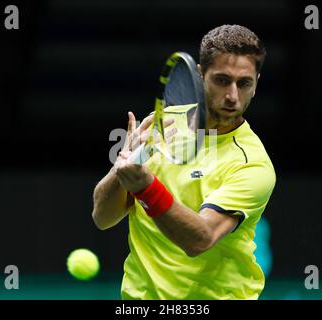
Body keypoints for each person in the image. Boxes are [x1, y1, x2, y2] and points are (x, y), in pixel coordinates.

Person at [92, 24, 276, 300]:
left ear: (256, 83)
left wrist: (146, 187)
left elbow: (200, 239)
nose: (232, 96)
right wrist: (121, 169)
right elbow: (102, 217)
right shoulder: (162, 124)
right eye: (222, 80)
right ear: (201, 75)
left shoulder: (252, 164)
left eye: (244, 83)